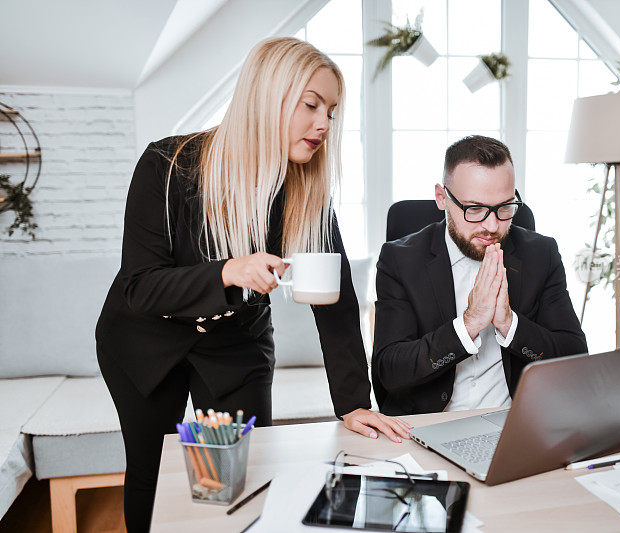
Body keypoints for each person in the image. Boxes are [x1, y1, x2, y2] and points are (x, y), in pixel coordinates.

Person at [95, 37, 410, 532]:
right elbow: (140, 287)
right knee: (153, 478)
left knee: (237, 480)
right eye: (311, 105)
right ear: (267, 97)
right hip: (143, 342)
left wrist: (353, 405)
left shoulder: (305, 194)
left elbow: (337, 304)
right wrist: (226, 272)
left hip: (235, 346)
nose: (325, 123)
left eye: (331, 110)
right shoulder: (167, 165)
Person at [371, 135, 588, 416]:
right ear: (442, 198)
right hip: (430, 424)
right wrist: (469, 324)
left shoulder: (541, 254)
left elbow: (575, 360)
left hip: (514, 422)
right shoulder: (399, 259)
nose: (492, 225)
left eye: (504, 207)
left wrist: (510, 324)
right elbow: (390, 370)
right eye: (474, 208)